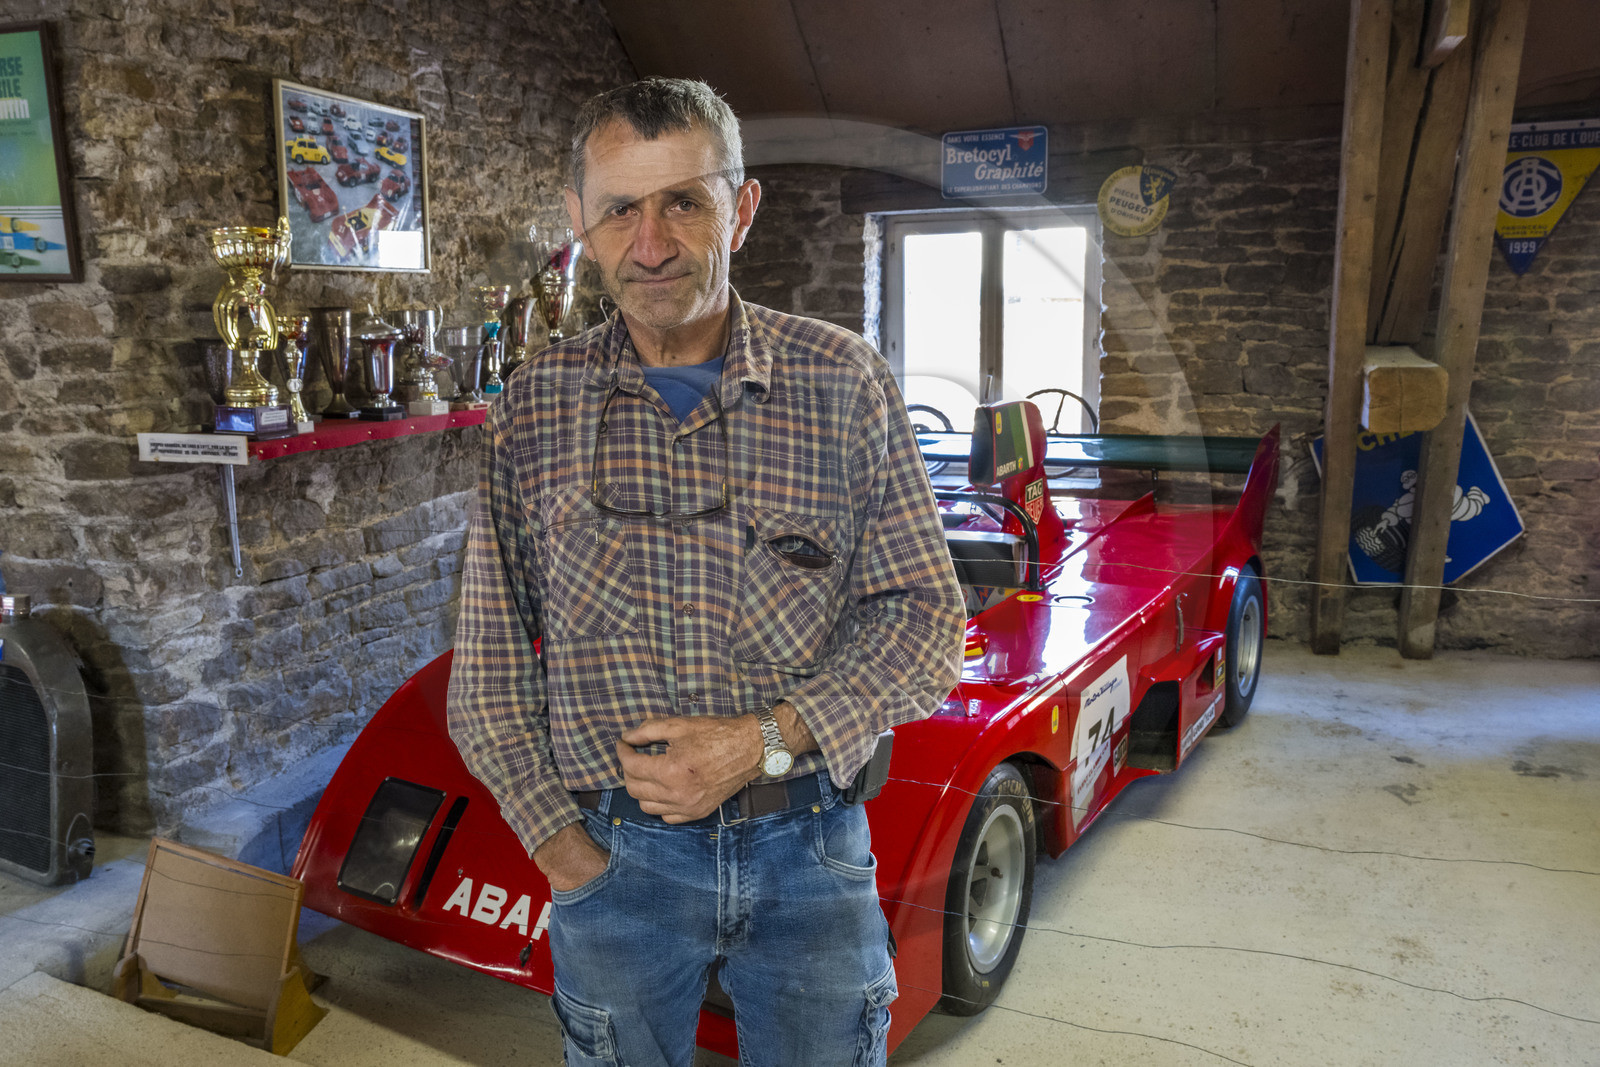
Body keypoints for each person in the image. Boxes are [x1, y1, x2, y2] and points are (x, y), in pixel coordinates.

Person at [446, 77, 964, 1067]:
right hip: (614, 858)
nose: (650, 244)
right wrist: (564, 851)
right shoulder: (533, 410)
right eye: (619, 210)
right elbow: (488, 671)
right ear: (577, 220)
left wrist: (762, 741)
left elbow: (925, 624)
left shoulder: (843, 382)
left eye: (683, 201)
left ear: (742, 208)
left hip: (808, 850)